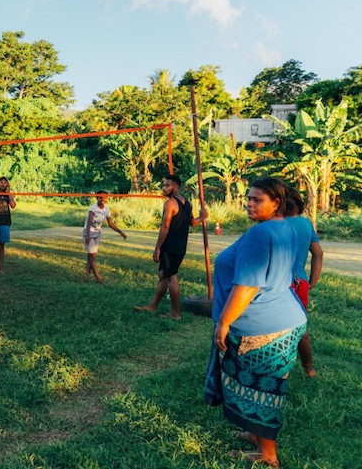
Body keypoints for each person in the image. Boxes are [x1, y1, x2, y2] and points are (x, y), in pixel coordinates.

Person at [204, 178, 307, 468]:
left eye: (257, 200)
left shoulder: (260, 234)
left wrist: (224, 322)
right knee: (255, 385)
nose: (249, 203)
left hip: (264, 326)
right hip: (285, 318)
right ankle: (255, 434)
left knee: (263, 391)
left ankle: (268, 454)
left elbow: (248, 285)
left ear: (277, 203)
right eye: (248, 198)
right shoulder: (284, 227)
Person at [134, 174, 207, 320]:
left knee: (172, 277)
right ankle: (152, 306)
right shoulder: (187, 203)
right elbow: (192, 222)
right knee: (163, 275)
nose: (164, 188)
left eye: (167, 185)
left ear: (176, 187)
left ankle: (175, 314)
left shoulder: (170, 204)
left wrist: (157, 248)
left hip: (170, 247)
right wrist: (201, 217)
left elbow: (165, 227)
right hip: (180, 247)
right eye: (163, 185)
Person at [285, 188, 323, 377]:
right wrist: (312, 281)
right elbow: (318, 254)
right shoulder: (306, 224)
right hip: (300, 282)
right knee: (300, 327)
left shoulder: (274, 223)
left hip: (278, 282)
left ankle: (279, 366)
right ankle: (309, 368)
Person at [83, 191, 127, 283]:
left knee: (90, 256)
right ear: (97, 198)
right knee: (92, 256)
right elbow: (89, 223)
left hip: (97, 234)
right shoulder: (93, 208)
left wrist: (121, 232)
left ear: (107, 198)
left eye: (104, 197)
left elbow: (110, 224)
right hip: (89, 234)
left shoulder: (106, 209)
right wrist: (87, 236)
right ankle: (98, 278)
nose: (102, 199)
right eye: (100, 197)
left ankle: (86, 276)